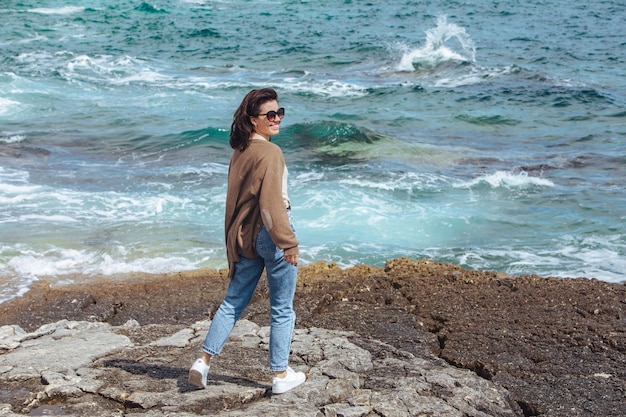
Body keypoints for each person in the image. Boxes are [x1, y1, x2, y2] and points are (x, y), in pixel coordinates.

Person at [188, 88, 306, 394]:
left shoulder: (240, 151)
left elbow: (234, 202)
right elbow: (271, 204)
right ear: (253, 120)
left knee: (232, 302)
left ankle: (202, 362)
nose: (276, 118)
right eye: (269, 115)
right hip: (272, 232)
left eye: (280, 112)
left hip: (246, 236)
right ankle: (280, 376)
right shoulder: (271, 152)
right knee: (281, 309)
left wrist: (233, 243)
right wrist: (288, 242)